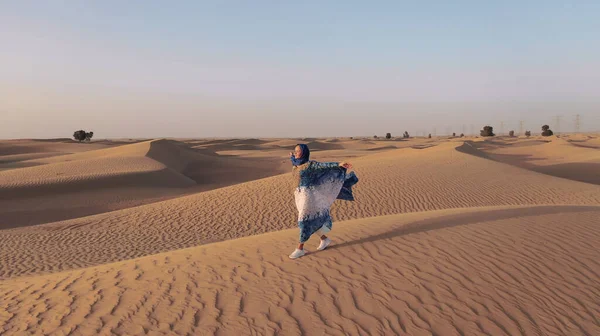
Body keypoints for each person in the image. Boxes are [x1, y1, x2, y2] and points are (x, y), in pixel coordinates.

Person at [288, 143, 358, 259]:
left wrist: (338, 164)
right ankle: (324, 239)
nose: (295, 153)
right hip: (299, 197)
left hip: (308, 197)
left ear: (304, 153)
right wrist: (291, 156)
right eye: (294, 151)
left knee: (303, 221)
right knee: (311, 220)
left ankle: (300, 248)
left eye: (297, 151)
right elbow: (294, 160)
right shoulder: (296, 164)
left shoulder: (310, 165)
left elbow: (324, 166)